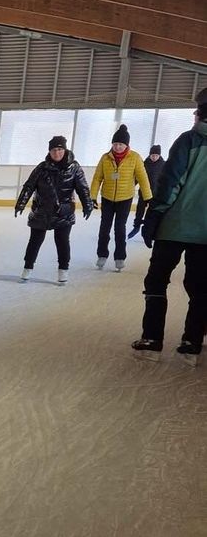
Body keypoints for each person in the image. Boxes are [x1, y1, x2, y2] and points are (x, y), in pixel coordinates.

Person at [131, 96, 207, 364]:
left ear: (199, 114)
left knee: (157, 280)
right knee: (200, 288)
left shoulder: (188, 140)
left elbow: (171, 183)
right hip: (205, 235)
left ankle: (152, 341)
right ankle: (191, 344)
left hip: (174, 227)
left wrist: (153, 216)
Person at [14, 135, 93, 283]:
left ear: (65, 150)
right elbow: (29, 186)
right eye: (53, 150)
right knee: (35, 241)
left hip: (63, 211)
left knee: (62, 241)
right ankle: (27, 267)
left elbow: (82, 188)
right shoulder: (42, 168)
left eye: (59, 149)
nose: (57, 153)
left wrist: (87, 204)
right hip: (41, 211)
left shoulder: (74, 168)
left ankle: (63, 270)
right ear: (49, 151)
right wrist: (21, 203)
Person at [91, 123, 151, 270]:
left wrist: (148, 197)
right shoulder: (105, 158)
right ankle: (102, 255)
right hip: (107, 197)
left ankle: (119, 257)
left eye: (121, 144)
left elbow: (143, 178)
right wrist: (92, 197)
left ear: (126, 145)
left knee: (119, 228)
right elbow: (97, 178)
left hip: (125, 198)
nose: (117, 147)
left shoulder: (135, 158)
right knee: (104, 228)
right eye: (115, 144)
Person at [128, 144, 164, 238]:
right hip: (143, 193)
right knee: (139, 210)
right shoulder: (144, 164)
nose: (154, 157)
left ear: (159, 155)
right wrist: (131, 185)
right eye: (152, 155)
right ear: (149, 155)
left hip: (155, 194)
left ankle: (151, 230)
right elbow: (138, 176)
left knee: (153, 213)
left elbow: (166, 179)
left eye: (156, 155)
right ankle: (136, 226)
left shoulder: (163, 165)